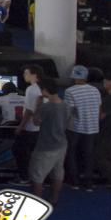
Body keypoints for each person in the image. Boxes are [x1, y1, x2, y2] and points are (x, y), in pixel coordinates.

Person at [30, 77, 70, 205]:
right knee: (58, 173)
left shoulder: (46, 107)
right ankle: (54, 199)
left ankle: (36, 204)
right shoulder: (65, 105)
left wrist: (38, 105)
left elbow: (36, 122)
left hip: (46, 146)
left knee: (37, 177)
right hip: (61, 144)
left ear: (45, 90)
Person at [64, 64, 101, 190]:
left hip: (75, 128)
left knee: (71, 153)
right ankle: (88, 183)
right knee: (89, 155)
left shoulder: (70, 91)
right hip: (93, 127)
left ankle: (74, 182)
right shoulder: (95, 90)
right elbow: (98, 108)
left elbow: (69, 111)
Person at [13, 65, 43, 184]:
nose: (24, 75)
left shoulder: (31, 89)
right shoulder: (43, 88)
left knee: (20, 151)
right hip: (39, 127)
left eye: (26, 73)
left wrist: (20, 126)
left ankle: (24, 177)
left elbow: (29, 110)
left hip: (30, 127)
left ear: (34, 74)